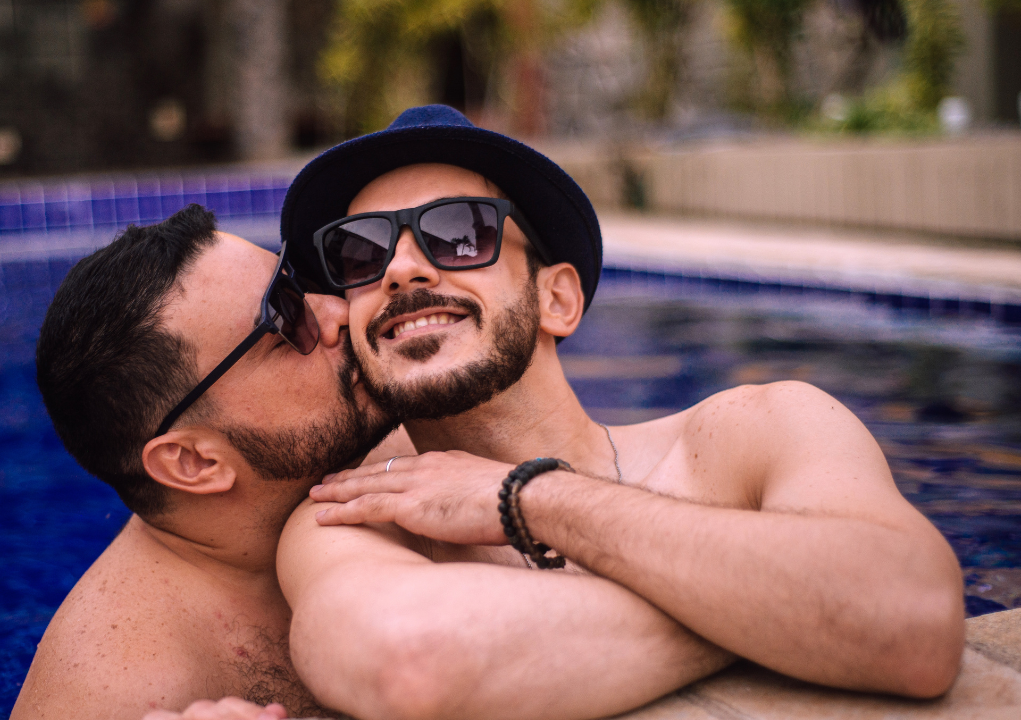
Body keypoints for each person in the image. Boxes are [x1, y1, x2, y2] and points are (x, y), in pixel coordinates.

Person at [274, 105, 967, 720]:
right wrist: (772, 610)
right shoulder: (357, 510)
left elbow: (913, 615)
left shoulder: (756, 431)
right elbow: (408, 662)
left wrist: (530, 498)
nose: (400, 269)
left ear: (557, 300)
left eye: (458, 232)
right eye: (360, 253)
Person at [14, 205, 402, 720]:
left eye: (298, 282)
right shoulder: (120, 695)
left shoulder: (402, 445)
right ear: (193, 461)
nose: (339, 310)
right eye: (286, 320)